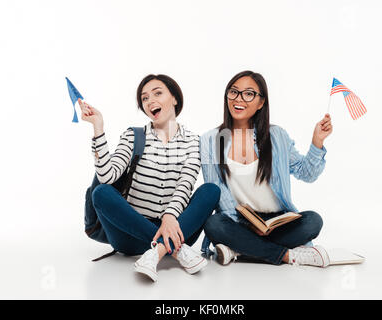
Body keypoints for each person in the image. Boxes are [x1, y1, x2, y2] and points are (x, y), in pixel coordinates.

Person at [80, 74, 220, 282]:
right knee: (101, 192)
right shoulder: (133, 136)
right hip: (131, 235)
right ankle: (174, 250)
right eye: (144, 98)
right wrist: (98, 128)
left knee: (211, 190)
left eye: (157, 93)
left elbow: (186, 183)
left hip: (179, 229)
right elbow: (107, 177)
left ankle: (159, 250)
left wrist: (170, 217)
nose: (150, 101)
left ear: (174, 98)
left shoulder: (193, 141)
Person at [201, 70, 333, 267]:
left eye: (249, 94)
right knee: (214, 224)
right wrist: (249, 225)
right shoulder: (210, 140)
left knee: (313, 221)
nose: (239, 99)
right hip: (239, 221)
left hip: (278, 222)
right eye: (234, 92)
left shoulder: (277, 136)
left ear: (261, 102)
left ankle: (239, 249)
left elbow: (307, 173)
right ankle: (287, 255)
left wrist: (317, 142)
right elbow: (217, 190)